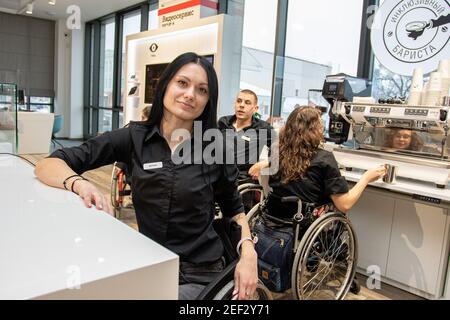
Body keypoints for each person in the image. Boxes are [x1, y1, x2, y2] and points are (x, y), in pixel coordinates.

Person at [34, 52, 257, 300]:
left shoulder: (215, 148)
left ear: (208, 100)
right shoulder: (134, 137)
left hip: (201, 273)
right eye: (182, 83)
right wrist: (79, 183)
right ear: (165, 86)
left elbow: (234, 210)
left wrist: (249, 254)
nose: (190, 94)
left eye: (202, 90)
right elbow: (48, 164)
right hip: (150, 263)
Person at [249, 106, 387, 215]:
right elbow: (344, 205)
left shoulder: (278, 152)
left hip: (274, 216)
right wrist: (366, 178)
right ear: (316, 130)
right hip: (304, 221)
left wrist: (266, 162)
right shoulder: (324, 158)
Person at [218, 89, 273, 180]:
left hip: (240, 181)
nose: (241, 105)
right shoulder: (223, 122)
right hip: (216, 177)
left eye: (247, 103)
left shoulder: (263, 128)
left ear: (255, 108)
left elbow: (284, 152)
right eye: (239, 101)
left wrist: (265, 163)